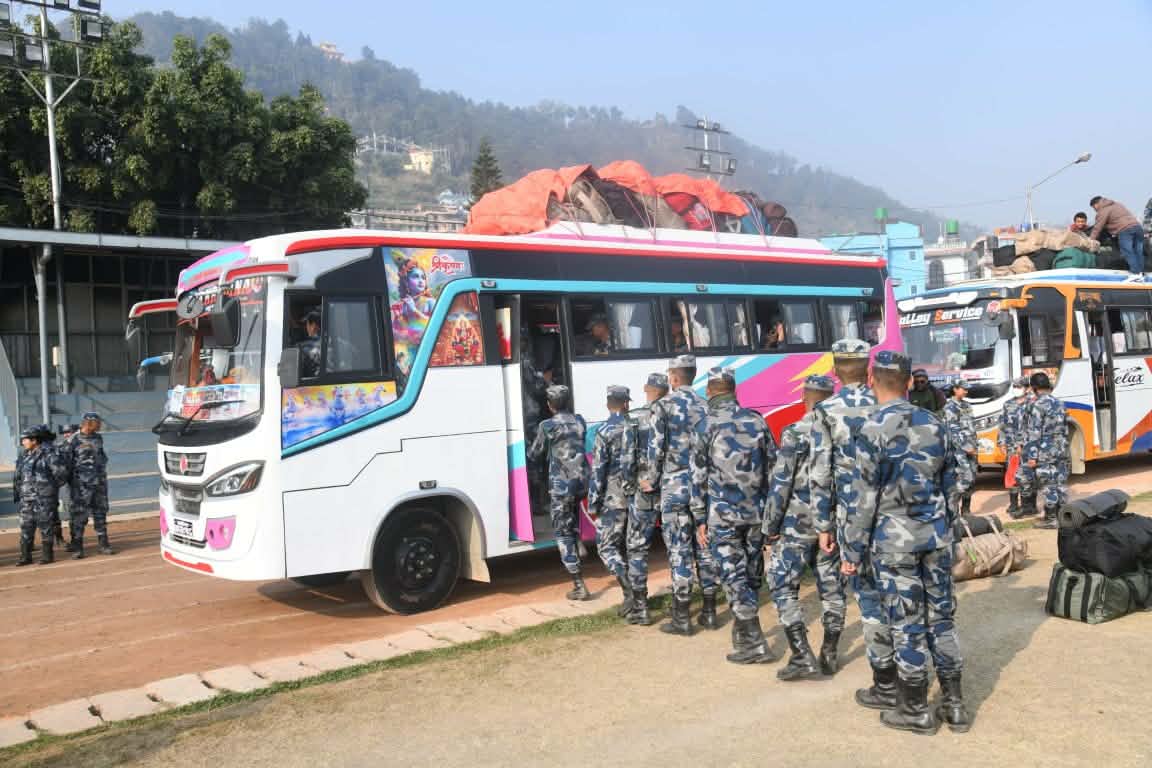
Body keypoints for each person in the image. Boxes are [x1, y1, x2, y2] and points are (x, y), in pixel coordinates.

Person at [842, 350, 969, 735]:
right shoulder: (935, 423)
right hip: (935, 538)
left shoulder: (869, 428)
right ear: (909, 382)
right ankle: (955, 704)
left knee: (907, 623)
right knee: (941, 619)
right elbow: (954, 484)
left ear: (871, 380)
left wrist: (852, 550)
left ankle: (914, 709)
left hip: (893, 543)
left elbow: (863, 499)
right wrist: (945, 529)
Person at [809, 338, 892, 709]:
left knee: (869, 600)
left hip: (851, 520)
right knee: (899, 594)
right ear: (868, 370)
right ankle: (909, 674)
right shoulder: (886, 403)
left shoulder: (825, 411)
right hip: (893, 516)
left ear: (835, 372)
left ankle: (885, 681)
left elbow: (819, 473)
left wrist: (823, 525)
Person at [763, 374, 846, 680]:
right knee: (832, 588)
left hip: (797, 524)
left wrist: (769, 525)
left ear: (804, 398)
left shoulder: (795, 432)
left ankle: (801, 654)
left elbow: (780, 484)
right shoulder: (843, 433)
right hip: (833, 525)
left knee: (783, 584)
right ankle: (829, 651)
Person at [692, 366, 777, 664]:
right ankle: (744, 634)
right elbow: (773, 468)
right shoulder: (756, 420)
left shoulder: (705, 425)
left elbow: (698, 477)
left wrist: (700, 518)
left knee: (733, 576)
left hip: (723, 516)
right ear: (734, 389)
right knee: (751, 575)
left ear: (710, 391)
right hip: (756, 513)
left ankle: (755, 643)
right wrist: (772, 514)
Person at [639, 354, 717, 635]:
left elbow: (656, 449)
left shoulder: (663, 406)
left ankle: (682, 616)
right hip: (702, 486)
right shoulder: (706, 405)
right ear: (693, 375)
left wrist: (652, 479)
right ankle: (709, 611)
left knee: (679, 549)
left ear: (673, 377)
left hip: (674, 488)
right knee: (704, 546)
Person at [527, 385, 590, 600]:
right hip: (583, 482)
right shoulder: (580, 421)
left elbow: (535, 453)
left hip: (562, 486)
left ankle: (579, 584)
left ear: (549, 405)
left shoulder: (547, 426)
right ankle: (578, 537)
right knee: (571, 511)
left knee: (562, 532)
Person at [624, 372, 669, 625]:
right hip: (673, 490)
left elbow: (627, 460)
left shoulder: (635, 419)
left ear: (645, 389)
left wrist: (631, 486)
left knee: (638, 548)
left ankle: (641, 607)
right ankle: (688, 605)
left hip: (644, 492)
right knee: (679, 547)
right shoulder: (677, 415)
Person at [587, 385, 636, 617]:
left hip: (614, 499)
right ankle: (639, 595)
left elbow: (598, 471)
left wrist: (593, 504)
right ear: (626, 403)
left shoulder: (604, 431)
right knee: (635, 547)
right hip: (639, 498)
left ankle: (630, 591)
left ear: (609, 404)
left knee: (607, 546)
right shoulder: (637, 427)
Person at [1022, 372, 1069, 530]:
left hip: (1045, 448)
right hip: (1061, 447)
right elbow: (1065, 427)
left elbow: (1034, 432)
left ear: (1034, 388)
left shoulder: (1038, 405)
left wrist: (1032, 456)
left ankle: (1051, 519)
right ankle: (1063, 516)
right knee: (1060, 482)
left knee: (1048, 483)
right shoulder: (1059, 403)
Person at [14, 426, 67, 565]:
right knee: (26, 526)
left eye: (25, 439)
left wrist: (49, 489)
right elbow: (18, 476)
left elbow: (61, 474)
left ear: (34, 440)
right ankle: (25, 556)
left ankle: (47, 555)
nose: (23, 442)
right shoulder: (24, 455)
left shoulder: (49, 453)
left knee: (46, 525)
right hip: (26, 498)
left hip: (43, 498)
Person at [68, 411, 114, 556]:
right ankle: (78, 546)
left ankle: (104, 544)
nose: (99, 425)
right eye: (96, 422)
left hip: (99, 483)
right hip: (82, 486)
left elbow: (101, 457)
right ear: (87, 423)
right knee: (80, 516)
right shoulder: (73, 440)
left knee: (100, 513)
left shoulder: (98, 438)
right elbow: (67, 463)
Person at [942, 380, 977, 517]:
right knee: (965, 478)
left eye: (967, 389)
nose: (966, 391)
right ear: (955, 389)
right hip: (959, 449)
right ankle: (952, 507)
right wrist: (965, 447)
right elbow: (953, 430)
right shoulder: (950, 407)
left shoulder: (967, 405)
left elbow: (971, 426)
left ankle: (966, 510)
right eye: (964, 389)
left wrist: (974, 445)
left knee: (972, 478)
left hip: (972, 447)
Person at [1088, 196, 1146, 281]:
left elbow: (1098, 227)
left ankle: (1135, 273)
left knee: (1127, 251)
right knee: (1138, 251)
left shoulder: (1103, 210)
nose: (1095, 210)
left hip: (1125, 230)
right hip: (1137, 227)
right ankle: (1140, 273)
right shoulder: (1117, 204)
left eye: (1094, 208)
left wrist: (1090, 240)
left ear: (1096, 204)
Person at [999, 377, 1032, 519]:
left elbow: (1033, 427)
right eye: (1015, 386)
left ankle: (1029, 505)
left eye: (1019, 386)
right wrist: (1001, 442)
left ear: (1027, 388)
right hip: (1012, 446)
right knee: (1012, 473)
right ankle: (1013, 504)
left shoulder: (1032, 403)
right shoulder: (1008, 404)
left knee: (1028, 476)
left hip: (1028, 447)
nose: (1016, 389)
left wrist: (1023, 443)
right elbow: (1003, 425)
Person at [298, 309, 322, 378]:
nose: (306, 327)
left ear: (313, 325)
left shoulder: (304, 348)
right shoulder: (337, 342)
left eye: (307, 324)